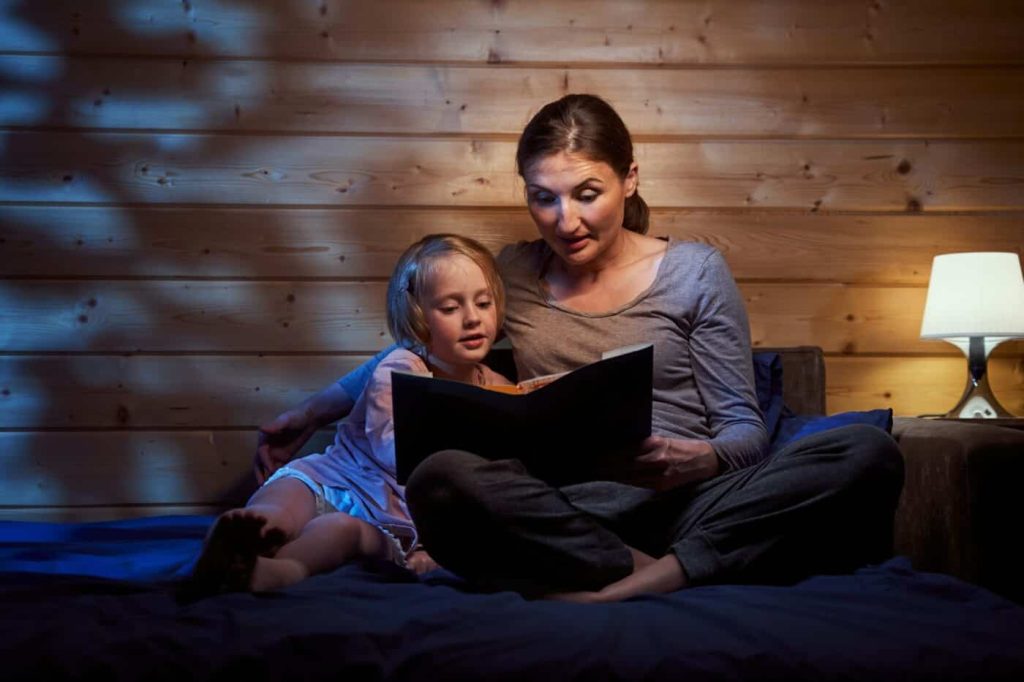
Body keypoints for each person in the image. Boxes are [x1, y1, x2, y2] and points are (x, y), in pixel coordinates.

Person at [255, 94, 904, 602]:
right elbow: (417, 347)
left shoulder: (694, 274)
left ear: (629, 178)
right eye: (544, 199)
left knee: (865, 451)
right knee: (441, 479)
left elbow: (744, 431)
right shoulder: (510, 273)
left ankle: (652, 575)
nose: (565, 221)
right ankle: (658, 572)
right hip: (558, 509)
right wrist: (311, 413)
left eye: (586, 194)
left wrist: (695, 460)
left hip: (685, 502)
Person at [192, 234, 512, 593]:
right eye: (450, 308)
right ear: (417, 318)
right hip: (338, 479)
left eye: (483, 303)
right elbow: (395, 454)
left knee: (340, 531)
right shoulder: (401, 369)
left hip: (391, 520)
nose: (472, 318)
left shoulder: (498, 386)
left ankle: (276, 571)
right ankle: (235, 541)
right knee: (281, 504)